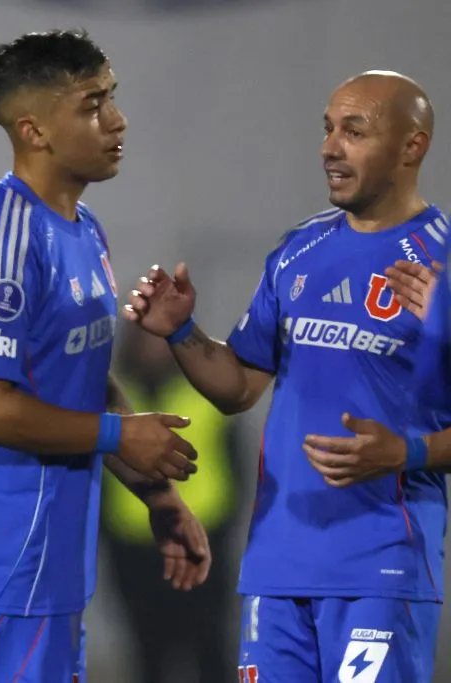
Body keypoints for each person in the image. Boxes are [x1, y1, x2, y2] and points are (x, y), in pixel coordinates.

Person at [125, 70, 448, 682]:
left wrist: (406, 452)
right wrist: (180, 333)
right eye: (328, 129)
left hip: (380, 566)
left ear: (413, 146)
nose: (330, 148)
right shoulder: (299, 251)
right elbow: (240, 385)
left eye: (354, 131)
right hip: (276, 567)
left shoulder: (445, 264)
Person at [0, 30, 211, 683]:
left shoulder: (85, 230)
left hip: (51, 564)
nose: (117, 119)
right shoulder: (2, 239)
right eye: (92, 103)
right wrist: (118, 435)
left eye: (113, 97)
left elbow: (83, 380)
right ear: (35, 130)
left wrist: (157, 496)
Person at [100, 325, 245, 683]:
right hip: (133, 547)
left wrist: (221, 527)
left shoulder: (203, 393)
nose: (152, 348)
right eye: (144, 339)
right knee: (149, 653)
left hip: (199, 540)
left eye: (158, 339)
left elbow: (235, 466)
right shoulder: (113, 396)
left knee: (210, 648)